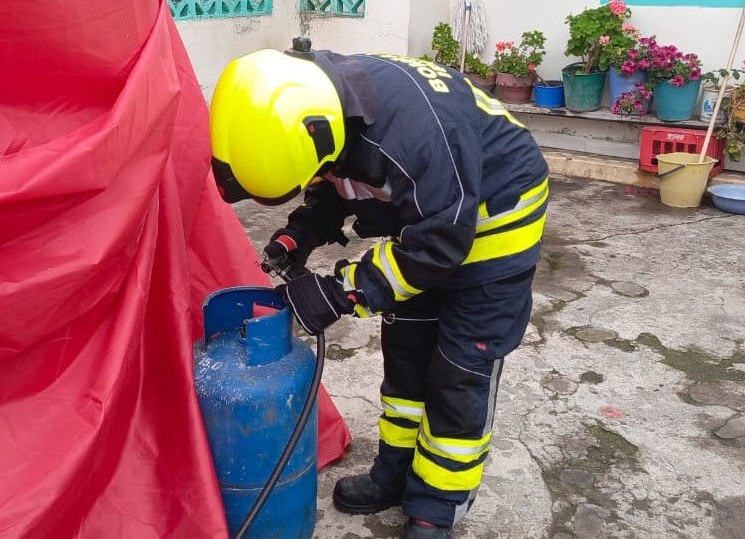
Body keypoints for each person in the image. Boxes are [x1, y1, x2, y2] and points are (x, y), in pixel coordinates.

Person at [209, 37, 549, 539]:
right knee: (408, 351)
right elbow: (336, 180)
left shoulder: (415, 136)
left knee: (459, 371)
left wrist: (341, 292)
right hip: (433, 217)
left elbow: (437, 246)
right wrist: (298, 233)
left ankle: (437, 506)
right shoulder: (324, 104)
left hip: (494, 222)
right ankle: (395, 471)